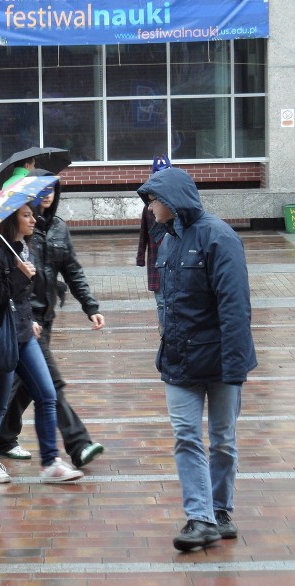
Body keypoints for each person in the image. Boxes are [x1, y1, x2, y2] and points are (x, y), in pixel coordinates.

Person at [138, 167, 256, 552]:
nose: (150, 207)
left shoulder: (219, 237)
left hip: (221, 361)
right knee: (186, 436)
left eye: (154, 200)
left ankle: (220, 511)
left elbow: (235, 308)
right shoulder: (168, 241)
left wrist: (235, 367)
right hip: (179, 361)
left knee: (222, 440)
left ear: (172, 201)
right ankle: (199, 518)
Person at [0, 171, 105, 469]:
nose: (48, 194)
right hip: (24, 320)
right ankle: (78, 444)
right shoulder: (16, 229)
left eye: (53, 189)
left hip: (46, 317)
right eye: (42, 189)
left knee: (27, 383)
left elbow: (73, 270)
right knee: (50, 383)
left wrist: (90, 306)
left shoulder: (59, 228)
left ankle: (1, 436)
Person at [0, 203, 84, 484]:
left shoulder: (23, 248)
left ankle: (50, 463)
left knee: (46, 395)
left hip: (24, 334)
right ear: (12, 220)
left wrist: (31, 318)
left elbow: (21, 298)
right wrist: (17, 275)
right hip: (2, 340)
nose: (33, 219)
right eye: (26, 215)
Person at [136, 154, 171, 327]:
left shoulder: (179, 202)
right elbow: (144, 234)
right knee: (161, 301)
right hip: (156, 260)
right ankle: (164, 331)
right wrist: (140, 257)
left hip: (176, 260)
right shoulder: (148, 206)